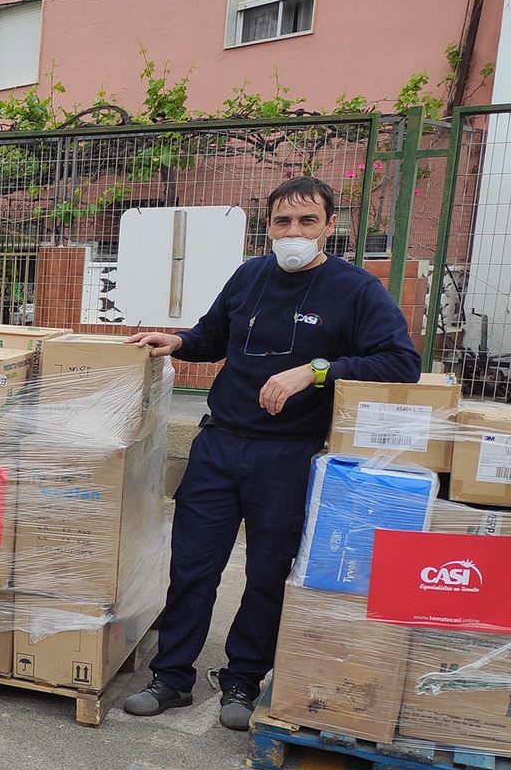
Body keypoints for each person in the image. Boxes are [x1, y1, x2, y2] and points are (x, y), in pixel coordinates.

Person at [123, 175, 421, 730]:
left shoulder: (355, 290)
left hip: (289, 455)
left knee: (265, 573)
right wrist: (180, 341)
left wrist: (317, 371)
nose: (294, 232)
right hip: (220, 444)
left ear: (331, 226)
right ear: (269, 228)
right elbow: (213, 335)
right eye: (283, 221)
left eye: (307, 221)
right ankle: (172, 678)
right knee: (193, 565)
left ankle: (241, 680)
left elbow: (400, 362)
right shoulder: (250, 276)